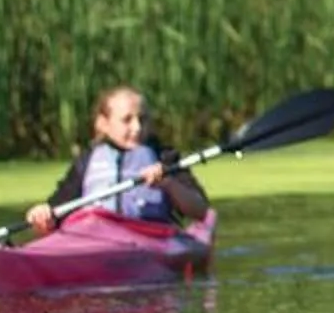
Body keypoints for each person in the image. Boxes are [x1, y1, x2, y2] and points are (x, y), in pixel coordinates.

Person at [26, 85, 208, 235]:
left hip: (151, 237)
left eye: (142, 119)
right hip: (96, 238)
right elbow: (57, 209)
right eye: (127, 120)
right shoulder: (87, 160)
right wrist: (43, 216)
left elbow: (201, 211)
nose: (137, 127)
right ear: (103, 124)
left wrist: (168, 184)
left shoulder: (164, 157)